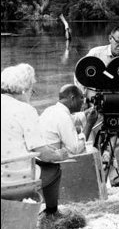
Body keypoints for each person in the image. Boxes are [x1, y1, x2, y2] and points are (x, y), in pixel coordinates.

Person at [1, 63, 70, 218]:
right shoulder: (25, 110)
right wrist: (59, 155)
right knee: (54, 170)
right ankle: (52, 213)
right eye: (32, 89)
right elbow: (43, 154)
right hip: (12, 180)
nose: (32, 94)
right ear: (24, 89)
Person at [74, 25, 119, 186]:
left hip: (116, 101)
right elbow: (79, 75)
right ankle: (94, 178)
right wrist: (83, 98)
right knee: (94, 140)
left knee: (118, 139)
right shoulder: (95, 53)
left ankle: (117, 177)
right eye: (118, 42)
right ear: (110, 39)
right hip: (94, 100)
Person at [39, 84, 98, 154]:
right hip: (52, 161)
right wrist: (89, 125)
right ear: (73, 98)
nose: (83, 101)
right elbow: (76, 148)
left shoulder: (51, 110)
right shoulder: (63, 116)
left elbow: (73, 118)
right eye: (81, 98)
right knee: (93, 151)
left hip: (42, 157)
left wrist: (87, 112)